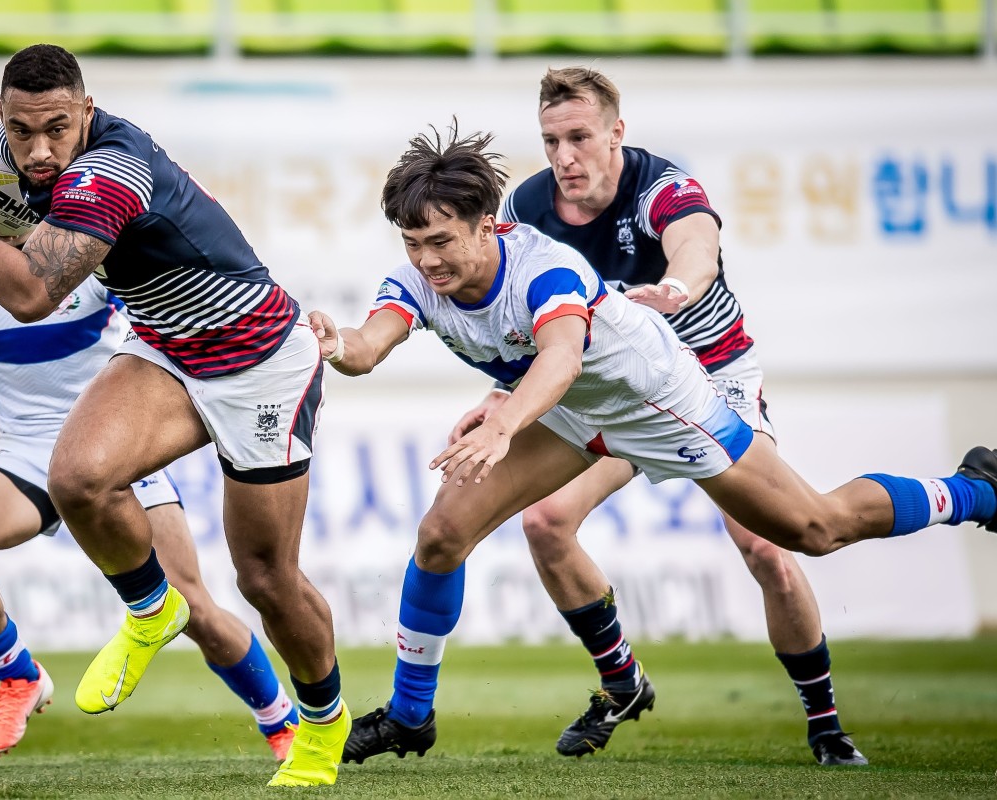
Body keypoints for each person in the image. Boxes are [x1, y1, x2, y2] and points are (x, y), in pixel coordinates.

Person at [302, 125, 997, 765]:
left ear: (488, 227)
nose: (427, 261)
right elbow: (370, 345)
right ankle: (411, 716)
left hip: (661, 404)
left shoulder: (543, 269)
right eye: (412, 244)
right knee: (442, 533)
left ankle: (975, 489)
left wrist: (505, 422)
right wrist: (339, 344)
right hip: (576, 414)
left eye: (441, 243)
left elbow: (562, 359)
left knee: (814, 528)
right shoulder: (420, 283)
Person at [0, 44, 348, 787]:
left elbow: (33, 295)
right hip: (167, 347)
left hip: (259, 359)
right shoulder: (18, 140)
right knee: (77, 477)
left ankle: (322, 724)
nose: (38, 152)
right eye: (21, 129)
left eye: (57, 130)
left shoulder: (112, 171)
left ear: (87, 112)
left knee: (264, 578)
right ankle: (150, 609)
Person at [440, 65, 865, 765]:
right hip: (609, 392)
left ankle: (825, 723)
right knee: (545, 524)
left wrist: (675, 286)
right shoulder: (527, 205)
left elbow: (697, 245)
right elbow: (528, 317)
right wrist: (506, 394)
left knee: (769, 546)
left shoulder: (661, 187)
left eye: (579, 136)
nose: (564, 156)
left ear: (617, 134)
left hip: (707, 380)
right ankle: (623, 682)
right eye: (551, 140)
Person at [0, 220, 301, 760]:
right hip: (28, 446)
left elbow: (174, 323)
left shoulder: (79, 252)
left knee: (193, 608)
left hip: (114, 445)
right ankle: (18, 675)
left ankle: (282, 724)